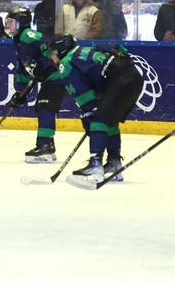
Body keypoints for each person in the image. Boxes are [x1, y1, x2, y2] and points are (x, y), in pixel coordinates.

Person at [51, 34, 144, 186]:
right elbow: (119, 50)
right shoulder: (85, 49)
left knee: (97, 119)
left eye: (54, 51)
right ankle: (114, 162)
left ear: (62, 49)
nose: (52, 56)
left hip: (119, 79)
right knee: (109, 120)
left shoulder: (66, 62)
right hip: (134, 77)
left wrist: (89, 119)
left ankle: (96, 163)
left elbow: (85, 98)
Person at [5, 5, 66, 164]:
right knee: (42, 107)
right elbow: (23, 67)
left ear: (22, 23)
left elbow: (48, 45)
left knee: (45, 106)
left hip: (57, 76)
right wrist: (20, 92)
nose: (8, 27)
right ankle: (48, 146)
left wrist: (47, 63)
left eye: (12, 23)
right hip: (50, 79)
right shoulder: (18, 40)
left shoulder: (27, 34)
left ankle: (44, 146)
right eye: (8, 23)